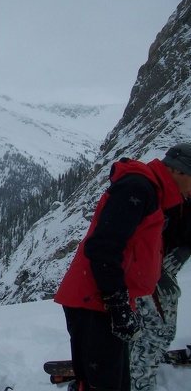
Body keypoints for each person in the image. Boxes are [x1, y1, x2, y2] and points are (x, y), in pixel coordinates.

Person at [54, 143, 191, 391]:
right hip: (94, 301)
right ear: (179, 172)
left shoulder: (156, 192)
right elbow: (103, 246)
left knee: (113, 383)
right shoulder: (138, 188)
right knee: (103, 385)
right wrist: (117, 304)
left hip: (105, 300)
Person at [130, 186, 191, 386]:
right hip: (145, 273)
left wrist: (186, 249)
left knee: (164, 332)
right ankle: (139, 380)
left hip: (165, 271)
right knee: (154, 331)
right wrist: (155, 271)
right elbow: (138, 236)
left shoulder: (182, 198)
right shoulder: (159, 194)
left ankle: (139, 367)